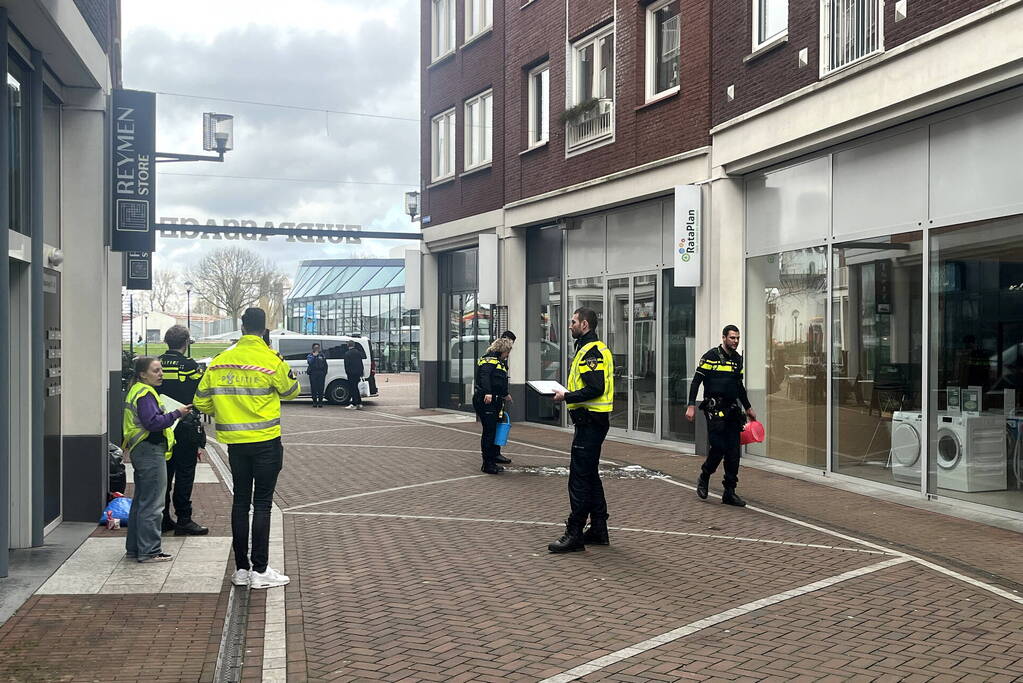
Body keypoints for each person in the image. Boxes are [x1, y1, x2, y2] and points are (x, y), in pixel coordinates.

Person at [194, 308, 300, 589]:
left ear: (241, 327)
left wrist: (228, 409)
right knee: (262, 504)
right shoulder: (271, 359)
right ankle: (261, 570)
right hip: (265, 442)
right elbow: (292, 391)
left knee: (240, 503)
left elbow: (201, 403)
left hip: (235, 445)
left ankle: (241, 569)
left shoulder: (219, 361)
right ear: (264, 330)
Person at [549, 308, 614, 553]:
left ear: (584, 324)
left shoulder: (592, 351)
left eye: (573, 322)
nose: (570, 326)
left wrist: (566, 395)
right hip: (591, 421)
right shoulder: (588, 348)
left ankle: (574, 532)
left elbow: (595, 388)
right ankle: (598, 528)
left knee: (579, 478)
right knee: (589, 475)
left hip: (590, 422)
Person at [122, 356, 192, 563]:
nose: (160, 374)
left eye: (160, 370)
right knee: (153, 503)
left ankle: (135, 548)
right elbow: (152, 422)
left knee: (141, 502)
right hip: (149, 450)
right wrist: (176, 414)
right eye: (155, 370)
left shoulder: (138, 390)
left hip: (141, 450)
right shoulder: (145, 394)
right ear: (142, 374)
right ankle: (150, 551)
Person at [686, 325, 757, 507]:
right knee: (718, 448)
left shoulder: (737, 360)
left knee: (733, 453)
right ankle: (705, 475)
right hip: (714, 410)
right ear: (724, 337)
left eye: (737, 338)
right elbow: (696, 381)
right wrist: (691, 405)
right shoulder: (710, 357)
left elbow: (739, 386)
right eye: (732, 338)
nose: (735, 341)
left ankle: (729, 492)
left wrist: (748, 408)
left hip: (732, 410)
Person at [158, 325, 209, 536]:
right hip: (185, 424)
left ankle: (162, 518)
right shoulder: (189, 365)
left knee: (164, 475)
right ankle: (184, 519)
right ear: (186, 342)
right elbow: (199, 392)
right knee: (185, 473)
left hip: (160, 425)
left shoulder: (156, 363)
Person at [473, 337, 514, 474]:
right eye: (507, 351)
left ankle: (491, 460)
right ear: (503, 350)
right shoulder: (490, 360)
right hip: (486, 400)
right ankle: (487, 464)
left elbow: (499, 380)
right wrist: (488, 393)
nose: (508, 355)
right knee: (489, 432)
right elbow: (485, 376)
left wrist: (505, 394)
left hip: (493, 400)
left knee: (492, 430)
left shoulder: (497, 361)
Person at [343, 342, 366, 410]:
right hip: (357, 373)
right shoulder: (358, 353)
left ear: (348, 345)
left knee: (353, 389)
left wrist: (347, 372)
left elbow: (346, 365)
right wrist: (361, 373)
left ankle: (354, 403)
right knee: (356, 388)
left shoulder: (347, 353)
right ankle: (359, 403)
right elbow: (360, 364)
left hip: (351, 374)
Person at [306, 343, 328, 408]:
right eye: (315, 348)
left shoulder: (322, 355)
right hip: (313, 373)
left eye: (318, 348)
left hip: (321, 373)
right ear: (313, 348)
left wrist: (324, 373)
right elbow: (309, 362)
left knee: (321, 388)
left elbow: (325, 365)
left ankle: (320, 402)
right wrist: (315, 356)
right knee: (314, 388)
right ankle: (315, 402)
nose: (317, 349)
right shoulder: (310, 355)